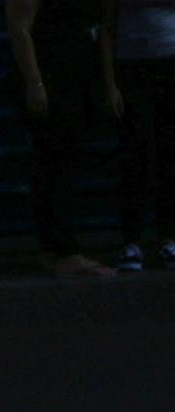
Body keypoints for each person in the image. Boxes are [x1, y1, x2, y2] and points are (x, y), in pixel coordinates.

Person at [6, 0, 116, 278]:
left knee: (56, 163)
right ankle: (66, 252)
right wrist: (35, 83)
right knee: (57, 163)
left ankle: (53, 250)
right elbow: (19, 28)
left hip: (75, 75)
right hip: (52, 77)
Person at [99, 0, 175, 271]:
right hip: (131, 69)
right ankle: (132, 241)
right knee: (135, 155)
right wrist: (111, 86)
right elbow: (107, 28)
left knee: (169, 155)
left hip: (170, 63)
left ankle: (169, 238)